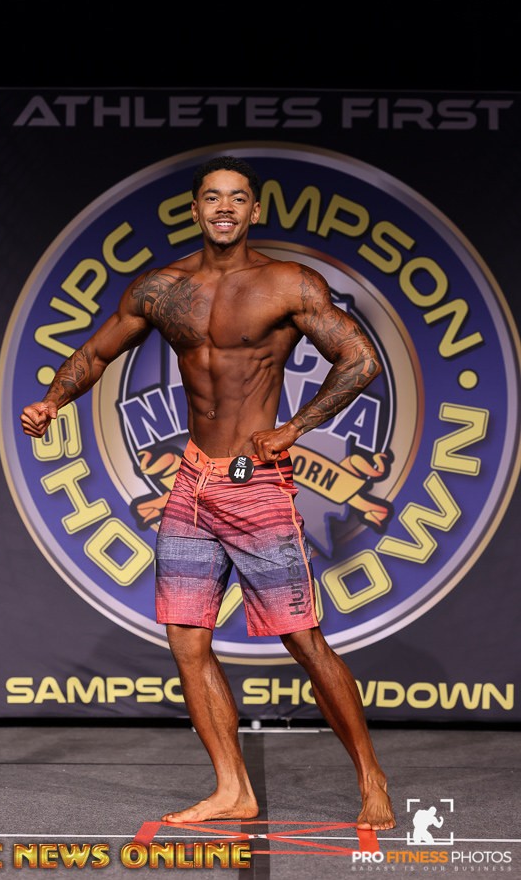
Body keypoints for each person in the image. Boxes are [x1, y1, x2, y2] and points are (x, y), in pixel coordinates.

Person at [20, 155, 396, 831]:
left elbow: (362, 358)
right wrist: (52, 401)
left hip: (257, 487)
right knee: (187, 642)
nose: (225, 207)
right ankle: (232, 789)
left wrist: (296, 428)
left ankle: (372, 778)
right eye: (213, 197)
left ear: (255, 210)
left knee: (304, 640)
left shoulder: (287, 283)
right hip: (192, 485)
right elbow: (98, 354)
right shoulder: (163, 289)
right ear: (194, 210)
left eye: (238, 198)